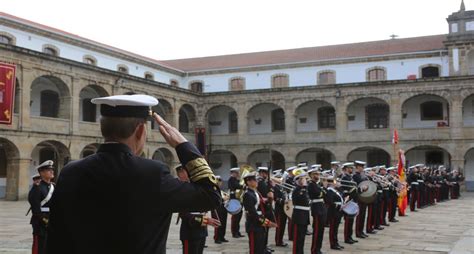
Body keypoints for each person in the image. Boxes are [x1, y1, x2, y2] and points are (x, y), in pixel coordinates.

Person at [46, 94, 221, 254]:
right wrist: (184, 145)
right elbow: (210, 196)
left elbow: (56, 238)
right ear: (140, 131)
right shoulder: (153, 173)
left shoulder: (71, 171)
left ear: (103, 129)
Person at [176, 165, 221, 254]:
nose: (185, 174)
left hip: (202, 231)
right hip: (189, 231)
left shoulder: (197, 187)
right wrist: (206, 220)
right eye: (182, 172)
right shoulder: (180, 190)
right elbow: (184, 214)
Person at [242, 171, 277, 254]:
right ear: (248, 182)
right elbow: (252, 213)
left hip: (259, 224)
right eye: (254, 180)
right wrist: (266, 222)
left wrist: (270, 199)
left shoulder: (256, 193)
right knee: (255, 249)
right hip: (254, 225)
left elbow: (263, 206)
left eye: (256, 180)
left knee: (260, 248)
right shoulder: (247, 194)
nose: (256, 182)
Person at [28, 160, 55, 254]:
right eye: (48, 170)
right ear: (42, 173)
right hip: (40, 223)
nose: (52, 171)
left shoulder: (53, 187)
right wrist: (45, 220)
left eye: (52, 169)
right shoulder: (37, 188)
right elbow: (36, 209)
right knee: (40, 247)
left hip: (52, 221)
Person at [307, 166, 327, 254]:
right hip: (317, 209)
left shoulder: (317, 184)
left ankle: (318, 249)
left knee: (321, 231)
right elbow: (319, 194)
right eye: (315, 174)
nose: (317, 175)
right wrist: (325, 188)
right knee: (317, 231)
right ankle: (314, 250)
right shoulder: (311, 184)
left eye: (318, 174)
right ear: (311, 175)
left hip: (321, 208)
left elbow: (324, 195)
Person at [291, 168, 310, 254]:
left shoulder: (304, 189)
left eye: (304, 178)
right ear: (298, 180)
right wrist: (302, 186)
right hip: (299, 216)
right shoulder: (296, 190)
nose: (305, 180)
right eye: (302, 178)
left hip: (304, 216)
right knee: (297, 238)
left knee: (302, 238)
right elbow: (296, 200)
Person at [257, 167, 275, 253]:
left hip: (267, 207)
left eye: (266, 173)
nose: (266, 175)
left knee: (266, 229)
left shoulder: (265, 182)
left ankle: (265, 246)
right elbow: (266, 194)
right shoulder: (260, 183)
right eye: (264, 173)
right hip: (263, 208)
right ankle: (263, 247)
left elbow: (271, 191)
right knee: (264, 229)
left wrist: (270, 185)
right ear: (261, 173)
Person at [340, 162, 358, 245]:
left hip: (352, 199)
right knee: (348, 220)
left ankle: (349, 236)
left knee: (351, 220)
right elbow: (348, 189)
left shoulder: (349, 177)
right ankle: (347, 238)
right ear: (347, 168)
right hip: (348, 200)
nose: (352, 169)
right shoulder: (344, 177)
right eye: (351, 168)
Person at [325, 174, 344, 250]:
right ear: (332, 183)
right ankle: (333, 244)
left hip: (337, 212)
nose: (337, 183)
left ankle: (336, 242)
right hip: (333, 212)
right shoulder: (329, 191)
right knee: (333, 229)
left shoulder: (335, 191)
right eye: (336, 181)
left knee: (336, 229)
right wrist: (339, 206)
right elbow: (330, 202)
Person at [353, 160, 369, 239]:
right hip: (359, 197)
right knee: (359, 216)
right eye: (361, 167)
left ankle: (361, 231)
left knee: (363, 215)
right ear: (358, 167)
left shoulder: (362, 175)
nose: (363, 168)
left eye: (363, 167)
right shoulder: (356, 176)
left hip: (363, 197)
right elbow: (359, 185)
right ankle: (358, 232)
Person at [272, 170, 288, 247]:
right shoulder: (275, 188)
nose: (280, 179)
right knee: (279, 226)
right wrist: (283, 201)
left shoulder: (281, 187)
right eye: (278, 178)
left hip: (283, 209)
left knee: (283, 226)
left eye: (280, 178)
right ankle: (278, 241)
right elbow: (276, 199)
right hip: (279, 209)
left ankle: (280, 240)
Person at [228, 167, 245, 238]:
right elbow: (236, 186)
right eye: (237, 173)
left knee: (238, 217)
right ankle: (234, 233)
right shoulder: (231, 179)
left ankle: (237, 232)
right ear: (233, 173)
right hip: (234, 200)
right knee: (235, 217)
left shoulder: (236, 179)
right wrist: (242, 186)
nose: (238, 174)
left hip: (238, 199)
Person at [212, 176, 229, 244]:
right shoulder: (213, 189)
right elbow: (214, 199)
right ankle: (217, 238)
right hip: (217, 208)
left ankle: (222, 236)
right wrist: (223, 199)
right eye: (218, 181)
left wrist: (227, 198)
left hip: (223, 208)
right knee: (218, 223)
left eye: (220, 181)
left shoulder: (220, 190)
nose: (219, 182)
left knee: (223, 223)